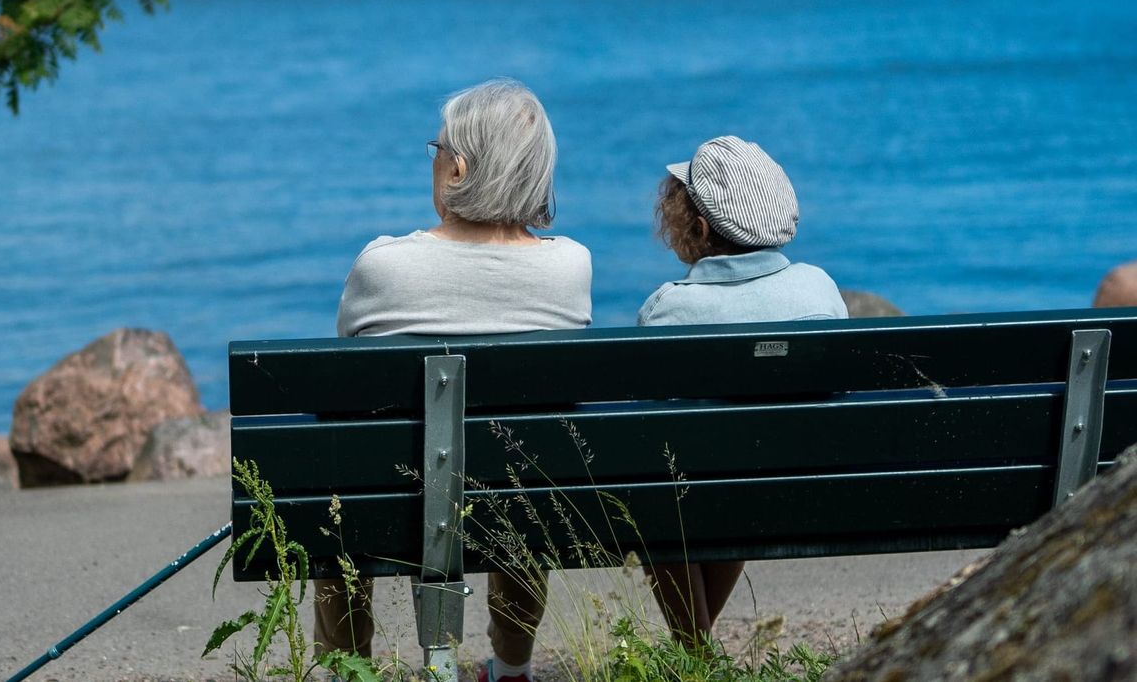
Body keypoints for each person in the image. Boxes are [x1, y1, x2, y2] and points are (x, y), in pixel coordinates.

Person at [318, 78, 592, 682]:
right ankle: (512, 668)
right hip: (518, 505)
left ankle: (344, 671)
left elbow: (343, 373)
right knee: (524, 480)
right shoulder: (571, 266)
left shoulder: (383, 265)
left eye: (435, 151)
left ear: (459, 169)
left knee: (336, 489)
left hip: (385, 505)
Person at [637, 135, 847, 646]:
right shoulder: (819, 290)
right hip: (799, 487)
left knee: (659, 486)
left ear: (699, 228)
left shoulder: (668, 309)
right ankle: (695, 649)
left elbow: (647, 427)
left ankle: (695, 655)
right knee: (743, 465)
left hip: (699, 494)